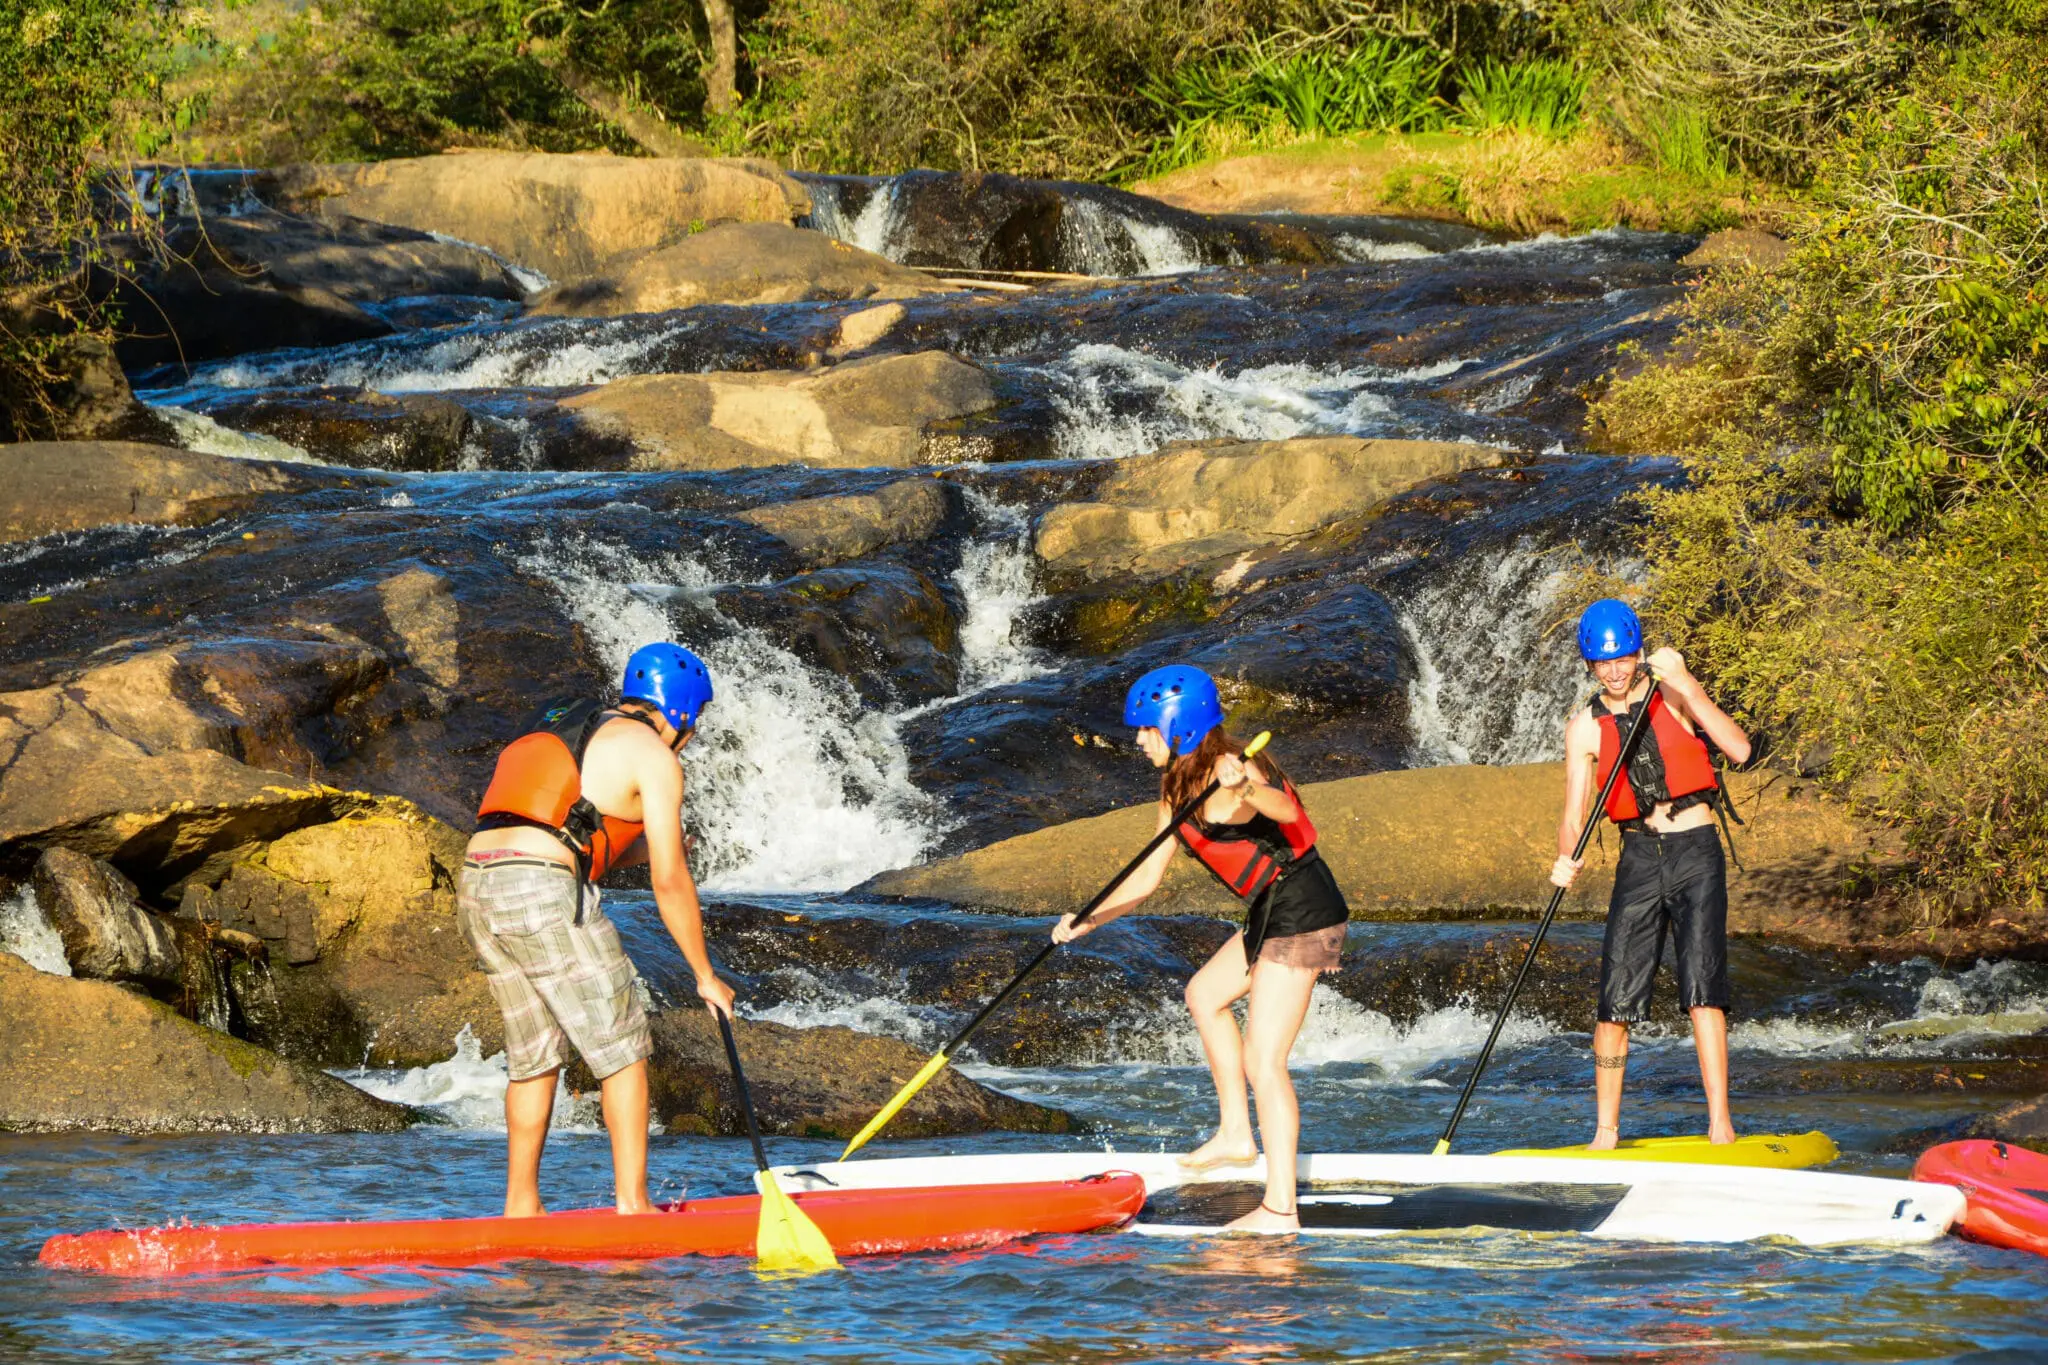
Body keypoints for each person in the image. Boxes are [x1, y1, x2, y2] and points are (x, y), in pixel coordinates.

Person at [1054, 664, 1350, 1233]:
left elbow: (1289, 813)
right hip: (1271, 907)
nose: (1138, 740)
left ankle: (1280, 1209)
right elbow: (1145, 878)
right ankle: (1237, 1134)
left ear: (1178, 725)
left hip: (1304, 911)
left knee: (1264, 1061)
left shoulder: (1234, 770)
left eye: (1146, 729)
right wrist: (1090, 919)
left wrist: (1248, 788)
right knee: (1204, 995)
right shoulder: (1177, 785)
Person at [459, 643, 736, 1217]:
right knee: (624, 1049)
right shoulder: (655, 756)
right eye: (696, 721)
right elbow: (670, 880)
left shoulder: (574, 723)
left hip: (479, 881)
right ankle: (633, 1207)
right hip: (540, 887)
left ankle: (521, 1209)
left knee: (534, 1056)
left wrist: (634, 853)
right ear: (681, 713)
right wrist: (705, 976)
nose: (693, 733)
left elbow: (562, 831)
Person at [1550, 599, 1752, 1150]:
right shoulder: (1583, 729)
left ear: (1639, 653)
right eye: (1602, 663)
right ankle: (1605, 1132)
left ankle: (1720, 1125)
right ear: (1590, 665)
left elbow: (1738, 748)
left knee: (1703, 989)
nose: (1614, 672)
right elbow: (1572, 817)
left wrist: (1688, 683)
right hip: (1638, 857)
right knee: (1614, 999)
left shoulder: (1673, 693)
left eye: (1624, 659)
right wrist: (1566, 856)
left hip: (1695, 850)